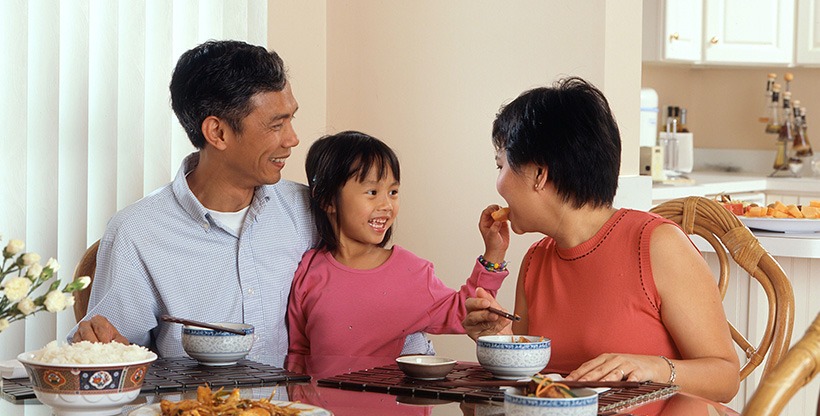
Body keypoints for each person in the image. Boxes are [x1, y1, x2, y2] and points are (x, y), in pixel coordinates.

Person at [461, 77, 740, 403]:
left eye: (501, 165)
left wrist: (650, 368)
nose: (499, 184)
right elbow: (534, 388)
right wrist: (501, 338)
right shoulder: (536, 260)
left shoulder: (657, 245)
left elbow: (726, 377)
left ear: (540, 174)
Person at [70, 40, 316, 367]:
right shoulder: (137, 233)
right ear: (217, 132)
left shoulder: (310, 212)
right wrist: (99, 346)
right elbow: (110, 357)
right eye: (276, 125)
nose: (292, 139)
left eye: (291, 120)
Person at [284, 131, 510, 378]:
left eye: (393, 192)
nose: (387, 205)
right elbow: (298, 353)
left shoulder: (412, 271)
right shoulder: (308, 270)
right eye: (372, 192)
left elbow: (465, 311)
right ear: (327, 200)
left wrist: (494, 253)